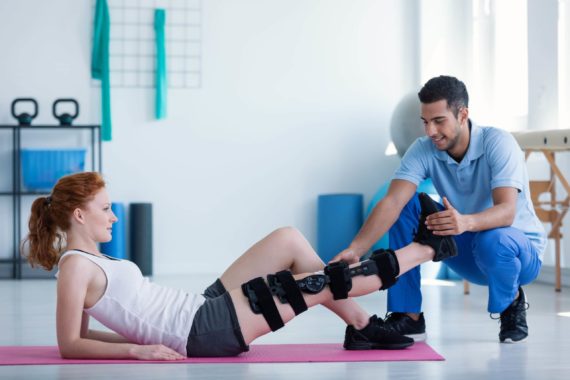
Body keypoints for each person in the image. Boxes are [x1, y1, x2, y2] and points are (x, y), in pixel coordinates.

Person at [22, 171, 455, 360]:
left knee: (287, 238)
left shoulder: (91, 259)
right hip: (201, 332)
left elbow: (88, 332)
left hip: (199, 308)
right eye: (105, 209)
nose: (113, 216)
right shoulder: (76, 267)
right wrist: (138, 348)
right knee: (322, 282)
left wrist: (129, 339)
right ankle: (428, 247)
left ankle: (362, 328)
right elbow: (71, 344)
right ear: (79, 215)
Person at [332, 75, 546, 344]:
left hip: (516, 252)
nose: (430, 131)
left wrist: (464, 222)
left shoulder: (498, 143)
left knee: (495, 238)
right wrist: (356, 249)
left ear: (462, 114)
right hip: (467, 247)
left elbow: (506, 212)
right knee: (407, 204)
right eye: (425, 122)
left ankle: (512, 302)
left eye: (438, 121)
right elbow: (391, 203)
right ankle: (408, 316)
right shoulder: (423, 149)